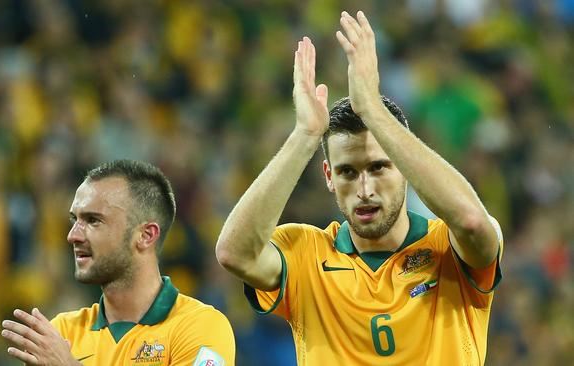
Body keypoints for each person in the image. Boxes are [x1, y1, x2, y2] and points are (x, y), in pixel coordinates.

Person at [215, 10, 502, 366]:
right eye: (348, 172)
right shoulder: (305, 254)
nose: (364, 188)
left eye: (379, 167)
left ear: (406, 168)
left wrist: (373, 110)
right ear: (329, 177)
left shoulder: (449, 247)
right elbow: (233, 253)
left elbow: (473, 222)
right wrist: (304, 135)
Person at [1, 160, 235, 365]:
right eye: (75, 219)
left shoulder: (201, 326)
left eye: (93, 220)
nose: (73, 235)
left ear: (146, 235)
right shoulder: (62, 333)